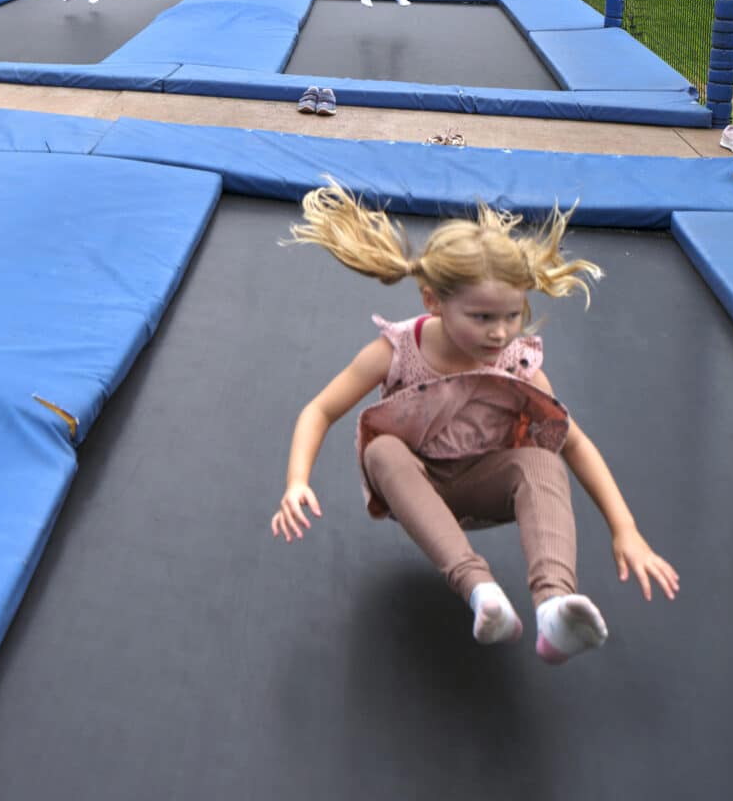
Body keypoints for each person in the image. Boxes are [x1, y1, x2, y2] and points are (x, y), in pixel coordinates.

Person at [269, 184, 679, 663]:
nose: (500, 332)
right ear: (433, 301)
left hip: (485, 485)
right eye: (482, 316)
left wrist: (624, 528)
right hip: (416, 488)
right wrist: (296, 482)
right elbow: (319, 410)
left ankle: (553, 607)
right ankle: (481, 592)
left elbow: (577, 444)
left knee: (540, 454)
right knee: (381, 450)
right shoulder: (397, 351)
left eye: (511, 315)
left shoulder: (515, 360)